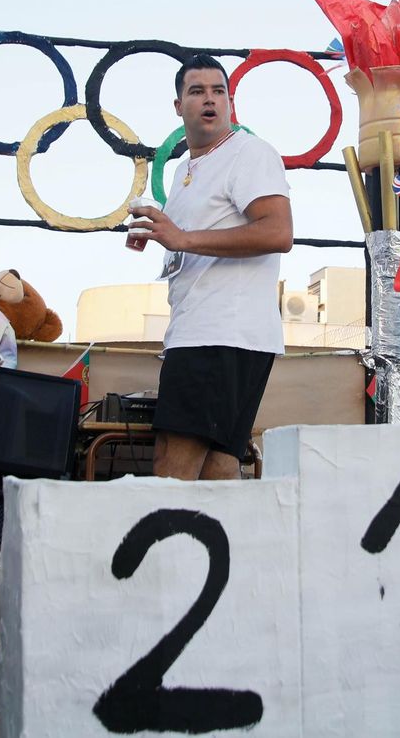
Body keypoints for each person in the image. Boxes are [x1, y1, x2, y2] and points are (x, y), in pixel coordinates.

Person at [126, 54, 293, 481]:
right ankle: (235, 549)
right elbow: (191, 239)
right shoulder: (186, 168)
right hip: (207, 332)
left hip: (221, 333)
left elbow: (277, 232)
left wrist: (182, 238)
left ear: (230, 102)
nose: (209, 99)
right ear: (178, 106)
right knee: (217, 468)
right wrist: (161, 237)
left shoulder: (249, 153)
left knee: (172, 466)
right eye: (197, 91)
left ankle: (165, 549)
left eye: (218, 91)